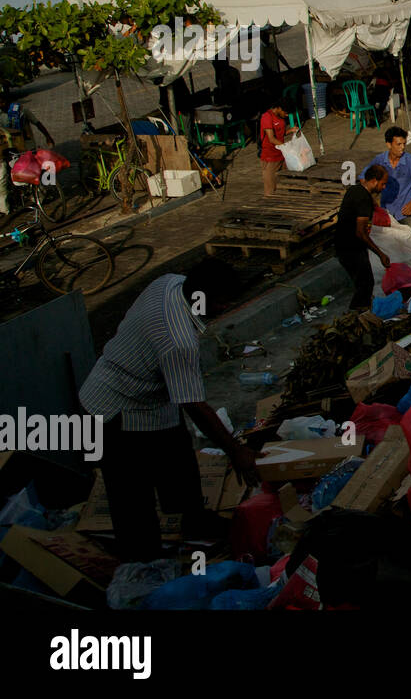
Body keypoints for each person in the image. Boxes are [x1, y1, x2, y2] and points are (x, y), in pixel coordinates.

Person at [78, 260, 264, 563]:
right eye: (220, 301)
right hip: (112, 409)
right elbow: (194, 406)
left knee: (178, 456)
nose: (224, 307)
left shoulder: (170, 283)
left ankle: (194, 519)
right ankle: (143, 566)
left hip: (150, 400)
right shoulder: (178, 341)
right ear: (200, 297)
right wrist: (236, 449)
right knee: (131, 496)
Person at [365, 127, 411, 279]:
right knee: (394, 246)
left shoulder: (410, 161)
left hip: (407, 210)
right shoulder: (379, 161)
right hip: (388, 211)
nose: (402, 148)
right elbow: (364, 177)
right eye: (398, 144)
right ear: (389, 144)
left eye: (404, 144)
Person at [337, 164, 391, 310]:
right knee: (365, 285)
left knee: (364, 284)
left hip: (342, 246)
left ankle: (360, 313)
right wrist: (380, 254)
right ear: (374, 181)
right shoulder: (363, 199)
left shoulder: (355, 190)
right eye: (383, 183)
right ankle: (355, 316)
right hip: (352, 248)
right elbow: (360, 232)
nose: (384, 187)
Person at [259, 102, 297, 197]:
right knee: (270, 188)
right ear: (279, 108)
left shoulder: (280, 117)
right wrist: (287, 146)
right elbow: (271, 138)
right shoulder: (267, 117)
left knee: (287, 181)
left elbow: (280, 133)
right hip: (270, 157)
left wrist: (290, 130)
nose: (287, 115)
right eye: (286, 112)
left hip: (282, 155)